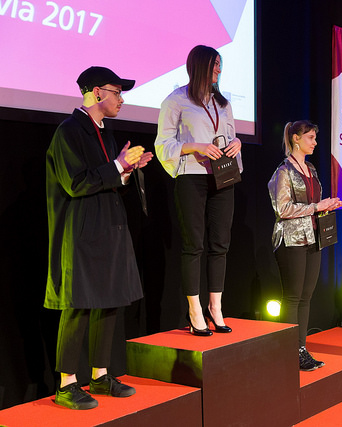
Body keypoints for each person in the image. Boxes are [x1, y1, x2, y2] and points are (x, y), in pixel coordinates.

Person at [45, 66, 153, 409]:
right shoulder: (69, 131)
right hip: (81, 233)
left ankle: (100, 375)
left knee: (109, 302)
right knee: (78, 305)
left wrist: (127, 171)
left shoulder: (105, 134)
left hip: (108, 229)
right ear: (95, 93)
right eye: (116, 92)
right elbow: (76, 183)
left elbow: (106, 180)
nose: (121, 99)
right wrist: (118, 167)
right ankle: (66, 383)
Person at [155, 45, 242, 336]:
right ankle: (194, 310)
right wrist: (195, 147)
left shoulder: (223, 103)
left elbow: (230, 135)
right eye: (215, 64)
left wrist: (237, 143)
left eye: (220, 64)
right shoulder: (176, 100)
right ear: (199, 65)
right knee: (194, 245)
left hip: (223, 176)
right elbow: (163, 145)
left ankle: (215, 307)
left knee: (221, 244)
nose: (219, 69)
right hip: (191, 176)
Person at [268, 120, 342, 371]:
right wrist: (316, 207)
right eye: (310, 137)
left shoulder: (310, 168)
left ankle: (300, 348)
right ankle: (287, 352)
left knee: (306, 297)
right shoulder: (283, 171)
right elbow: (282, 209)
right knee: (292, 297)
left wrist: (326, 206)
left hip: (313, 238)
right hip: (291, 239)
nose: (315, 142)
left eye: (315, 137)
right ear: (296, 139)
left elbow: (313, 203)